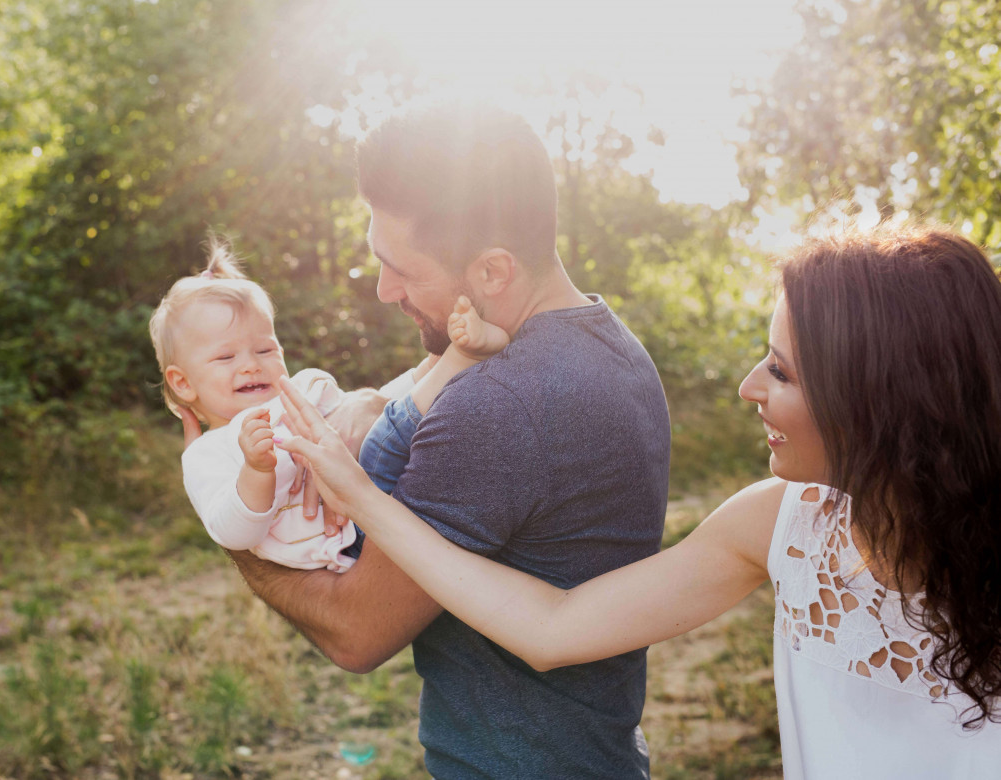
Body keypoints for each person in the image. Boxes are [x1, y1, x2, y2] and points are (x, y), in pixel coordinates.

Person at [277, 224, 1001, 779]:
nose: (749, 387)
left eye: (781, 372)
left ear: (882, 401)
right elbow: (551, 627)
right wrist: (363, 500)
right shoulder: (780, 522)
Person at [186, 99, 671, 778]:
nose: (385, 290)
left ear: (492, 272)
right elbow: (425, 391)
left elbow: (357, 632)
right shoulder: (611, 348)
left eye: (402, 269)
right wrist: (370, 401)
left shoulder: (498, 404)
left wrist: (231, 522)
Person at [153, 240, 509, 572]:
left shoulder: (295, 396)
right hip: (347, 541)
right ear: (183, 382)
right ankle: (462, 355)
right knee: (393, 428)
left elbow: (365, 412)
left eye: (265, 350)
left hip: (372, 502)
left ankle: (447, 358)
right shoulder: (207, 454)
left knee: (389, 415)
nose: (250, 365)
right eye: (226, 356)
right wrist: (256, 471)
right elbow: (233, 535)